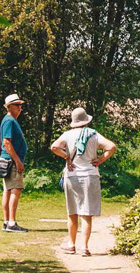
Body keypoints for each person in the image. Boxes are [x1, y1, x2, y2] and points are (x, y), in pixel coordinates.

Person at [49, 107, 116, 256]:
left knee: (72, 213)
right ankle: (85, 247)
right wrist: (100, 160)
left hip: (72, 175)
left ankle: (71, 244)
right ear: (86, 120)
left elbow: (54, 147)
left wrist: (66, 157)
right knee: (86, 214)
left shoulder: (67, 135)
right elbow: (111, 146)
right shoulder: (93, 134)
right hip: (90, 175)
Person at [0, 94, 30, 233]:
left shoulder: (9, 120)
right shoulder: (9, 121)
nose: (20, 108)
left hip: (8, 160)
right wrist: (17, 161)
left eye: (20, 105)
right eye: (17, 105)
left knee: (8, 190)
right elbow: (6, 142)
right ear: (9, 107)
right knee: (15, 190)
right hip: (11, 161)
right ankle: (11, 223)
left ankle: (7, 222)